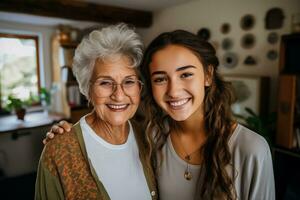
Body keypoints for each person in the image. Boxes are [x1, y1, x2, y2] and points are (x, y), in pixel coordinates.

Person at [46, 30, 275, 200]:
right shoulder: (154, 137)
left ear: (207, 75)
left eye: (185, 74)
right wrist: (66, 138)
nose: (173, 91)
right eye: (160, 78)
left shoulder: (251, 150)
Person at [35, 23, 157, 200]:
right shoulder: (59, 150)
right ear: (87, 89)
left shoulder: (147, 137)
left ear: (139, 87)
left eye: (129, 81)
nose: (119, 95)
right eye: (105, 82)